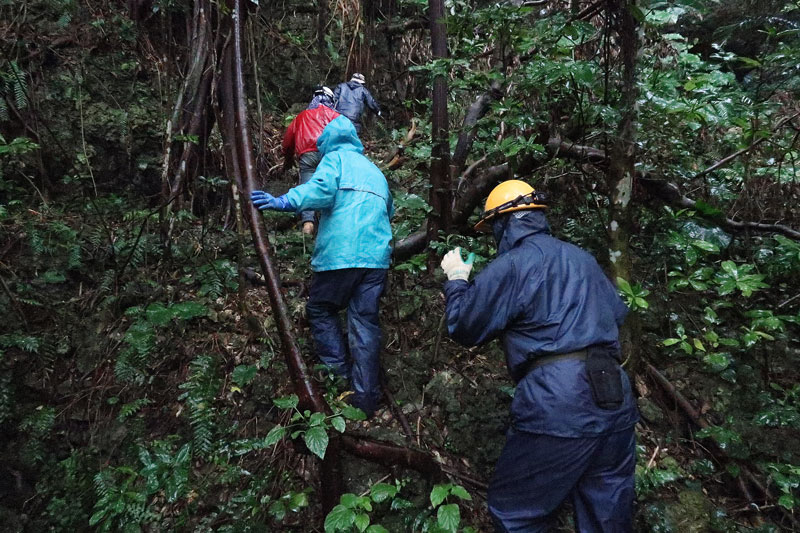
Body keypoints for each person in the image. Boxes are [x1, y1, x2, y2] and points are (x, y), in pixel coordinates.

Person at [439, 180, 639, 532]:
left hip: (558, 399)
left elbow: (464, 326)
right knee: (606, 510)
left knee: (518, 512)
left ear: (503, 223)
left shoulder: (514, 265)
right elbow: (616, 315)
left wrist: (457, 280)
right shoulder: (583, 259)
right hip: (614, 393)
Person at [251, 116, 393, 418]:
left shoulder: (335, 161)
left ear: (326, 143)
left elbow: (319, 191)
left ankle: (337, 378)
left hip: (341, 255)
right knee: (365, 323)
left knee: (320, 308)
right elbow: (388, 210)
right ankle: (366, 400)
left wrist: (284, 201)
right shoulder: (376, 171)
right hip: (376, 258)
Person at [281, 89, 340, 234]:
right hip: (329, 155)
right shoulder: (336, 116)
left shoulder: (301, 116)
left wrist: (288, 160)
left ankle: (308, 224)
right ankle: (333, 222)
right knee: (333, 185)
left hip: (307, 155)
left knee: (308, 187)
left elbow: (288, 142)